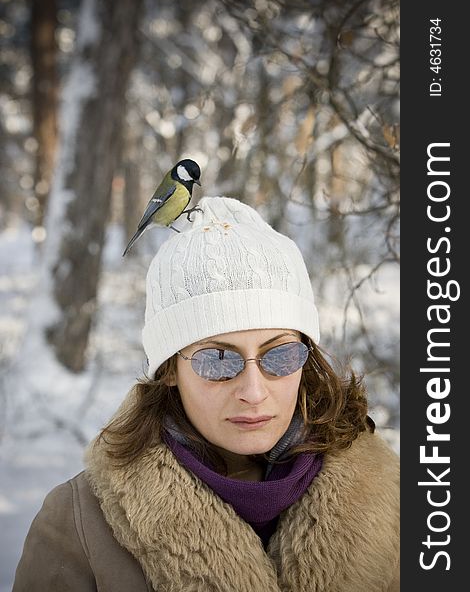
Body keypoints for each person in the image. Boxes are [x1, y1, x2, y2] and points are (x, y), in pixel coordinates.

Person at [13, 196, 399, 591]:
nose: (253, 391)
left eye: (280, 356)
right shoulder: (80, 524)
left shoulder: (392, 502)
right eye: (217, 360)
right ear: (170, 371)